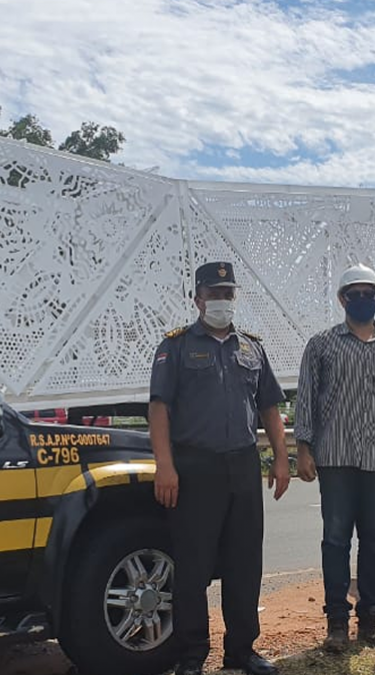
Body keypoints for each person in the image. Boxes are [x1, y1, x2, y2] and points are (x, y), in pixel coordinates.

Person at [149, 261, 291, 675]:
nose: (222, 301)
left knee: (245, 563)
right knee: (192, 566)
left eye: (228, 293)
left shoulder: (251, 347)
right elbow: (159, 409)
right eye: (214, 293)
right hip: (194, 466)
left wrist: (281, 456)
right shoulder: (174, 347)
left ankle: (242, 651)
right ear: (197, 298)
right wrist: (165, 466)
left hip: (243, 465)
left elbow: (269, 407)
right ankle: (192, 655)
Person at [293, 263, 375, 653]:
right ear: (342, 300)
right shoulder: (322, 344)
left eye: (370, 293)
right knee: (335, 539)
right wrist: (303, 447)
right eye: (355, 294)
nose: (362, 300)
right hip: (335, 454)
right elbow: (307, 397)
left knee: (374, 539)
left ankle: (370, 620)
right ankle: (335, 623)